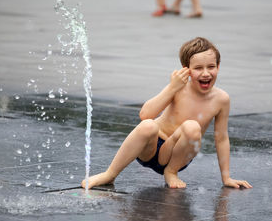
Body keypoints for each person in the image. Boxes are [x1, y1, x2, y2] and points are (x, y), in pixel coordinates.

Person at [82, 37, 252, 189]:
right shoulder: (179, 87)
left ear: (219, 67)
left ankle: (171, 172)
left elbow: (221, 138)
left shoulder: (221, 99)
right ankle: (110, 174)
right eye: (198, 68)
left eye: (211, 67)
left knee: (192, 127)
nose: (206, 73)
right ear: (186, 70)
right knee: (148, 125)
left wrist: (226, 177)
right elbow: (145, 114)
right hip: (149, 148)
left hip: (177, 154)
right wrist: (172, 88)